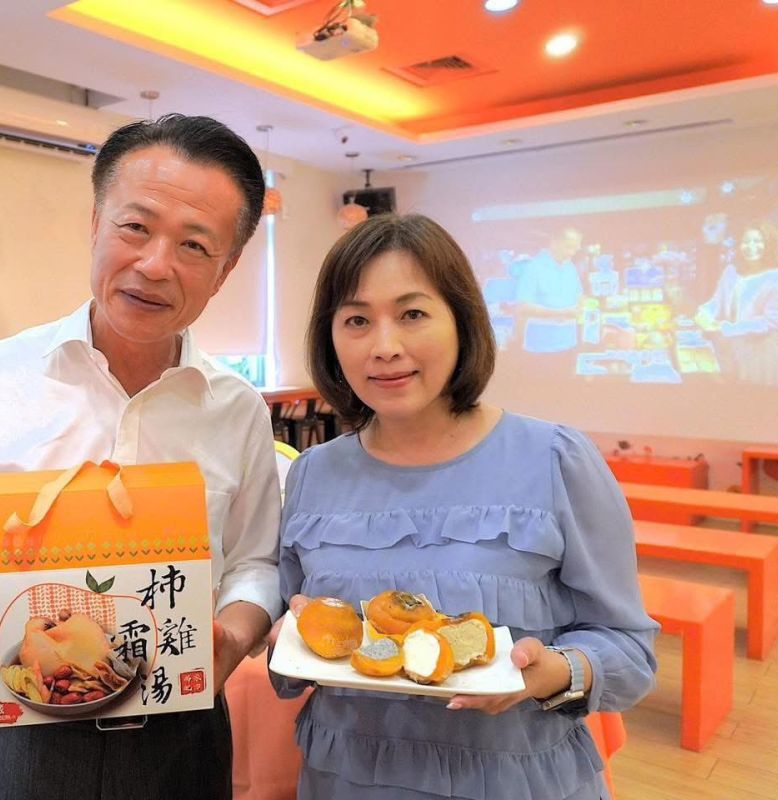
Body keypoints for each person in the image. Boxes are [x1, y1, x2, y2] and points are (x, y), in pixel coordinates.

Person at [0, 114, 283, 800]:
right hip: (16, 732)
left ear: (226, 268)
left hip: (179, 737)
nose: (155, 264)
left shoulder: (236, 409)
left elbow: (255, 562)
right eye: (136, 226)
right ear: (95, 222)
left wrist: (232, 639)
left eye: (194, 244)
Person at [271, 214, 657, 800]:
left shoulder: (554, 459)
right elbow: (291, 650)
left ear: (462, 320)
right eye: (356, 320)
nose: (384, 347)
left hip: (514, 781)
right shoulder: (313, 475)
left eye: (412, 314)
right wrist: (286, 638)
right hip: (344, 780)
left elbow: (629, 649)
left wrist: (550, 672)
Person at [695, 220, 778, 385]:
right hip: (729, 346)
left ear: (770, 244)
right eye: (746, 242)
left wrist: (728, 328)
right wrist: (704, 312)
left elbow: (770, 322)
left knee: (755, 395)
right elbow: (717, 301)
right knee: (729, 388)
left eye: (757, 241)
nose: (751, 247)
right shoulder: (732, 271)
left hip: (760, 352)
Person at [513, 226, 584, 355]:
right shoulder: (533, 268)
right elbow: (523, 307)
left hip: (569, 342)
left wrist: (580, 306)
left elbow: (578, 295)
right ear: (554, 243)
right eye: (569, 247)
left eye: (576, 248)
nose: (572, 253)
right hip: (541, 346)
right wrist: (560, 313)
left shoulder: (570, 267)